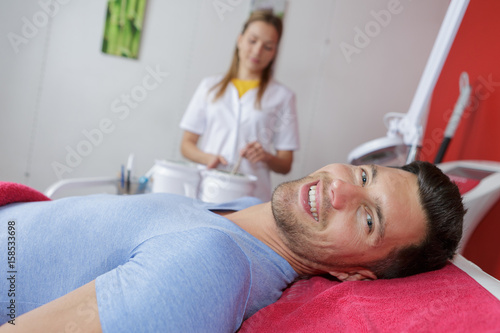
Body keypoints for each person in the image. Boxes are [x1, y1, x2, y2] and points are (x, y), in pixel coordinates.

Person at [0, 161, 464, 332]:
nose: (340, 191)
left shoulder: (210, 272)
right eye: (364, 176)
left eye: (368, 219)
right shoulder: (239, 209)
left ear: (355, 274)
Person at [179, 10, 300, 202]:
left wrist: (266, 157)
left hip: (251, 198)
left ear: (274, 52)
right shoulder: (209, 87)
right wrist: (207, 158)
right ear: (240, 40)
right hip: (207, 191)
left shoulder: (283, 97)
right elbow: (186, 145)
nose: (257, 51)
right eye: (252, 41)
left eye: (267, 47)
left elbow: (285, 164)